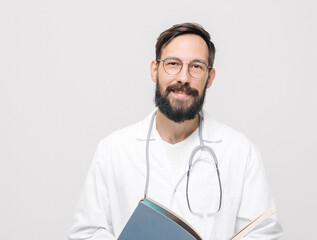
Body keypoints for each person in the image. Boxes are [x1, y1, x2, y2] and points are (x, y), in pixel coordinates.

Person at [68, 23, 283, 240]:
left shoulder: (241, 153)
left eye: (196, 67)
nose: (183, 78)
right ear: (155, 70)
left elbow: (263, 234)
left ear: (210, 77)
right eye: (173, 64)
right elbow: (86, 233)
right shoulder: (113, 150)